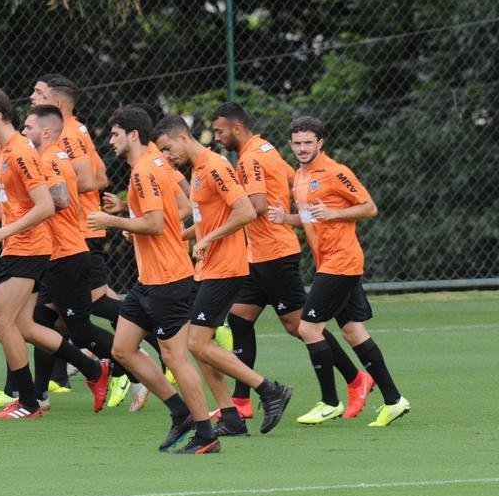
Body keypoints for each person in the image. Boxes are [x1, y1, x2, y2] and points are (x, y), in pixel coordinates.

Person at [210, 102, 372, 420]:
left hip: (275, 253)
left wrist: (221, 214)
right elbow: (287, 178)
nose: (217, 137)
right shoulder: (265, 148)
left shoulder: (251, 157)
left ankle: (356, 380)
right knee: (240, 319)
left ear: (236, 128)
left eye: (219, 131)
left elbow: (256, 205)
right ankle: (241, 400)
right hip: (258, 254)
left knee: (302, 327)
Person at [0, 88, 107, 421]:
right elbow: (20, 205)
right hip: (20, 245)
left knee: (1, 321)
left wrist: (4, 231)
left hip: (29, 247)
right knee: (25, 326)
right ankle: (92, 368)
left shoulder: (20, 153)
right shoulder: (4, 151)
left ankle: (28, 401)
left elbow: (46, 205)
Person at [86, 106, 219, 454]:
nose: (110, 140)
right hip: (149, 279)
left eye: (114, 134)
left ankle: (207, 433)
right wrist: (136, 221)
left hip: (169, 279)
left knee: (175, 358)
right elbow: (181, 205)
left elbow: (156, 224)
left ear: (132, 135)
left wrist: (114, 222)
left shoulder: (145, 170)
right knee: (123, 349)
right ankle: (180, 413)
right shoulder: (158, 165)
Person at [152, 115, 293, 436]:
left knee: (197, 343)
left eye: (167, 148)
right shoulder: (197, 170)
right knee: (200, 347)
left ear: (184, 138)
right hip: (208, 267)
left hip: (226, 267)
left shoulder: (215, 166)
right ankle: (230, 416)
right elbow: (206, 222)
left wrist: (208, 239)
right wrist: (175, 236)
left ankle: (269, 390)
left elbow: (245, 210)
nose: (166, 157)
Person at [270, 116, 410, 427]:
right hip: (329, 262)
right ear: (291, 145)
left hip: (341, 261)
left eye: (308, 142)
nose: (303, 148)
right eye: (297, 143)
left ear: (320, 143)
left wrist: (335, 212)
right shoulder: (300, 177)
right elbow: (310, 217)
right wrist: (285, 219)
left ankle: (329, 402)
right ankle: (394, 399)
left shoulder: (336, 172)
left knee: (308, 329)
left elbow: (369, 207)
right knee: (353, 331)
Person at [21, 105, 117, 408]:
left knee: (83, 331)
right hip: (59, 253)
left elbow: (60, 200)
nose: (24, 132)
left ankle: (129, 367)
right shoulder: (54, 156)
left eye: (28, 127)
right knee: (41, 321)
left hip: (66, 254)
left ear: (46, 131)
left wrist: (25, 214)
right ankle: (39, 396)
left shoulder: (48, 159)